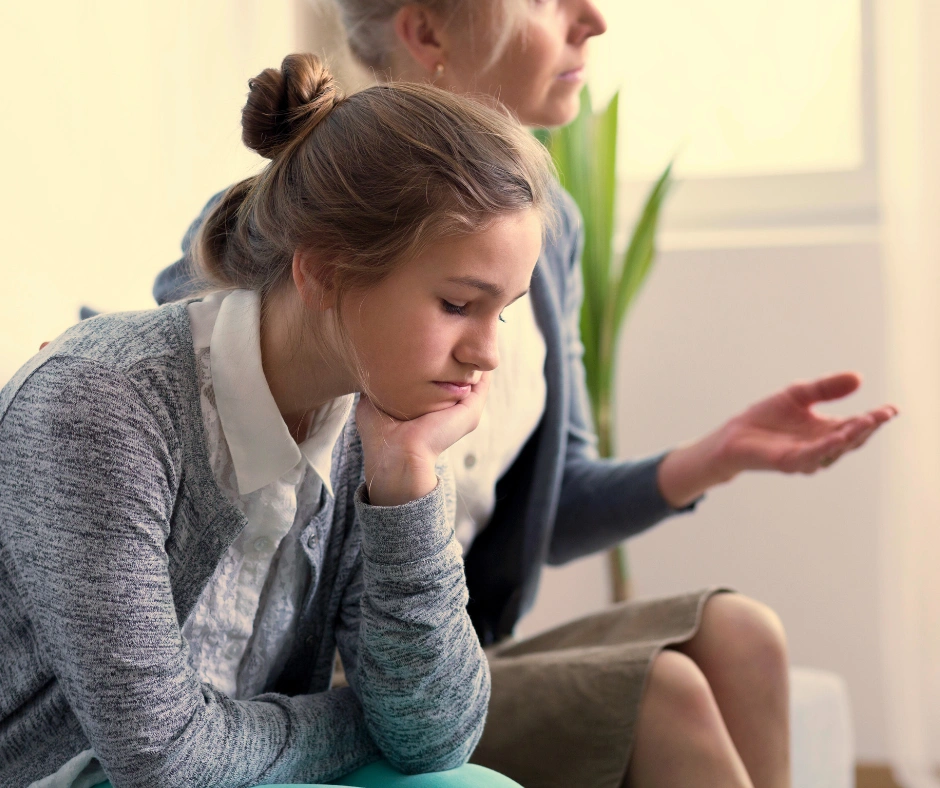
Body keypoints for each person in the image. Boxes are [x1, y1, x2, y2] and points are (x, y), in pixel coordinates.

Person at [153, 3, 899, 787]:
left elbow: (545, 507)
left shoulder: (550, 232)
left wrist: (714, 458)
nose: (594, 19)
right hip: (341, 663)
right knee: (662, 693)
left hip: (453, 645)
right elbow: (193, 396)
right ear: (428, 32)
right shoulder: (295, 226)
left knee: (740, 633)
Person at [0, 54, 561, 788]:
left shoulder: (380, 415)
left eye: (504, 311)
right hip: (63, 777)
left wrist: (406, 482)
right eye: (458, 304)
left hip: (241, 770)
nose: (486, 353)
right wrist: (354, 721)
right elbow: (161, 760)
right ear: (322, 270)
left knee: (471, 785)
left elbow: (435, 737)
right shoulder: (100, 404)